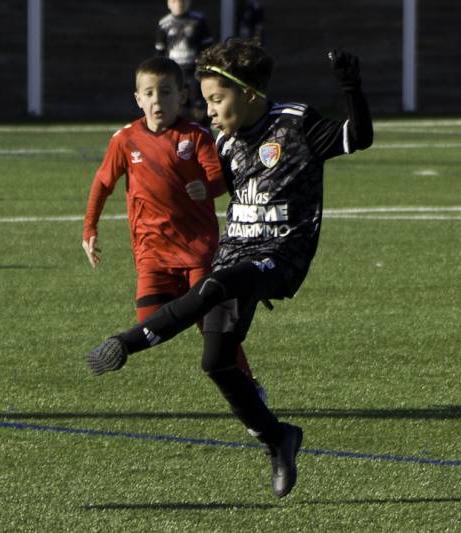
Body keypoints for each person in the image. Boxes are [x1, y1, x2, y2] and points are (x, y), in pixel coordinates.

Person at [86, 38, 373, 499]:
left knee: (217, 285)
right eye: (206, 102)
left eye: (217, 100)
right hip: (235, 252)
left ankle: (126, 343)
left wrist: (351, 86)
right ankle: (278, 437)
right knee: (215, 360)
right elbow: (205, 185)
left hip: (280, 255)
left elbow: (357, 137)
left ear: (250, 95)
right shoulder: (223, 140)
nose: (210, 110)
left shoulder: (296, 125)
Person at [82, 56, 259, 386]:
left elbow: (220, 181)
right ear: (138, 99)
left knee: (214, 331)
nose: (156, 101)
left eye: (165, 93)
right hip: (153, 251)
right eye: (148, 93)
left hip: (198, 250)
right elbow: (103, 183)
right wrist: (90, 228)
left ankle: (249, 385)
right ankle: (189, 306)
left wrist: (205, 188)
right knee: (148, 321)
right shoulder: (125, 140)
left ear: (182, 96)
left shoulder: (196, 137)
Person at [155, 0, 214, 123]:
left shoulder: (198, 21)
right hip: (174, 71)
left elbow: (208, 47)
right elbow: (160, 52)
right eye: (175, 1)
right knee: (177, 104)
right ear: (168, 3)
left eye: (182, 1)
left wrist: (205, 67)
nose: (179, 4)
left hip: (194, 70)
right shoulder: (164, 23)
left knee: (198, 104)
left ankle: (202, 133)